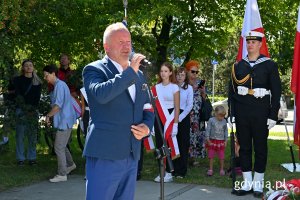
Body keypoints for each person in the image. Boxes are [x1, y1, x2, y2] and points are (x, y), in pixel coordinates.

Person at [82, 22, 154, 200]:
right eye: (121, 42)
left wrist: (146, 126)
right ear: (107, 47)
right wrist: (129, 72)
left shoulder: (138, 75)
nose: (127, 46)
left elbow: (147, 106)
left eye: (129, 42)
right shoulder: (94, 69)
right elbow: (101, 94)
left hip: (131, 154)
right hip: (105, 153)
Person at [229, 31, 281, 198]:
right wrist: (233, 113)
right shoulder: (239, 65)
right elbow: (232, 91)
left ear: (260, 44)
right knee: (244, 147)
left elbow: (276, 91)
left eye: (254, 42)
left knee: (260, 148)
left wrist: (273, 115)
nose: (250, 44)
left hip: (261, 111)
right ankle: (247, 182)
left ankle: (258, 183)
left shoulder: (269, 65)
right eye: (248, 41)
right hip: (243, 110)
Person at [43, 64, 77, 183]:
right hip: (65, 120)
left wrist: (48, 115)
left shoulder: (59, 86)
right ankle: (71, 165)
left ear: (53, 74)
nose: (45, 78)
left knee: (58, 147)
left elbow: (58, 106)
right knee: (61, 146)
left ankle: (62, 174)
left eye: (46, 75)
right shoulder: (59, 85)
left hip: (64, 121)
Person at [152, 62, 180, 183]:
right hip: (158, 118)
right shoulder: (155, 88)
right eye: (161, 71)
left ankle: (169, 172)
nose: (163, 73)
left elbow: (177, 107)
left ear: (170, 73)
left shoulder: (174, 87)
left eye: (165, 71)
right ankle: (161, 171)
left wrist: (175, 124)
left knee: (168, 145)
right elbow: (152, 106)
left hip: (170, 118)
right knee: (159, 145)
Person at [13, 59, 42, 166]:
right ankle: (20, 158)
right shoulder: (17, 80)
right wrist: (24, 109)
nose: (29, 67)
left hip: (33, 111)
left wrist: (31, 110)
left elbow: (37, 98)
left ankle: (32, 158)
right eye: (26, 66)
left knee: (32, 135)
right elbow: (18, 95)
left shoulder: (37, 82)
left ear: (33, 67)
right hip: (21, 110)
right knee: (20, 135)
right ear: (23, 68)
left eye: (30, 65)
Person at [185, 60, 207, 165]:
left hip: (198, 115)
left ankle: (193, 158)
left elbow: (204, 100)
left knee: (197, 135)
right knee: (187, 135)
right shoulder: (183, 83)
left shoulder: (199, 83)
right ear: (187, 71)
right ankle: (185, 157)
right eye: (192, 71)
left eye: (196, 72)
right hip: (187, 114)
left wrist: (203, 93)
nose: (194, 74)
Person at [173, 67, 193, 178]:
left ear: (185, 77)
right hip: (172, 116)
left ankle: (182, 170)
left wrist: (179, 117)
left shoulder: (189, 88)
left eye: (182, 75)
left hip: (183, 117)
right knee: (174, 143)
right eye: (178, 75)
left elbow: (189, 105)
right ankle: (174, 169)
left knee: (182, 144)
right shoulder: (172, 87)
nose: (180, 77)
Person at [205, 105, 228, 176]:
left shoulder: (224, 121)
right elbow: (208, 130)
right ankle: (210, 169)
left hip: (221, 142)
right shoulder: (211, 120)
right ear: (215, 113)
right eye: (220, 116)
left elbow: (226, 131)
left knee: (221, 156)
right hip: (212, 141)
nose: (221, 118)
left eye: (223, 116)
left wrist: (226, 140)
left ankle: (221, 169)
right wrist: (207, 139)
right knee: (211, 155)